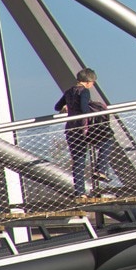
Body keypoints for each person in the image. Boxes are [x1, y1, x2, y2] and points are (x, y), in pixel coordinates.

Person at [55, 68, 101, 197]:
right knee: (105, 142)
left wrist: (67, 107)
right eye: (93, 82)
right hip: (83, 128)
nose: (92, 85)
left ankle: (79, 192)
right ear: (88, 81)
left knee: (78, 160)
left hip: (70, 129)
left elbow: (57, 107)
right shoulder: (84, 91)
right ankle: (101, 169)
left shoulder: (69, 91)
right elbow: (84, 109)